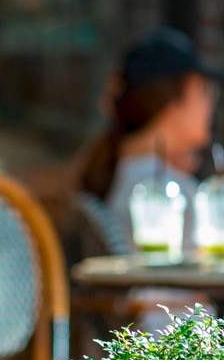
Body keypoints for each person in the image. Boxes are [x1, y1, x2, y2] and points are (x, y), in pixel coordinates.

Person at [77, 26, 221, 331]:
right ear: (175, 100)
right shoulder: (167, 191)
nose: (211, 104)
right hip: (178, 349)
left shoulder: (122, 172)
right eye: (203, 92)